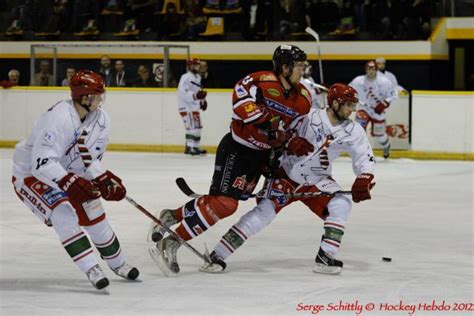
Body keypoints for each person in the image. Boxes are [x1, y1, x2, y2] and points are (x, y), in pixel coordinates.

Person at [150, 45, 314, 275]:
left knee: (221, 201)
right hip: (237, 148)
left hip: (260, 157)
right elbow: (239, 102)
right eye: (298, 66)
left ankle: (173, 215)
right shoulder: (261, 81)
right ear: (284, 67)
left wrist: (289, 144)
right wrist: (266, 122)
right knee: (225, 204)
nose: (302, 70)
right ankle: (170, 242)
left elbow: (296, 128)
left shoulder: (304, 97)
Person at [200, 83, 376, 275]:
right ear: (335, 103)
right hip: (285, 175)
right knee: (263, 213)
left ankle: (326, 255)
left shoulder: (354, 131)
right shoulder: (308, 117)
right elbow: (278, 134)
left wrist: (364, 177)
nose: (352, 110)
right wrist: (277, 151)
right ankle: (218, 254)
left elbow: (364, 156)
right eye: (349, 104)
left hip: (317, 180)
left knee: (341, 203)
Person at [11, 70, 139, 291]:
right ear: (85, 97)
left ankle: (118, 263)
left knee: (93, 209)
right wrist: (68, 181)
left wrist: (102, 179)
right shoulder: (58, 119)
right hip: (31, 175)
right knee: (63, 213)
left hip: (66, 173)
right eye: (98, 94)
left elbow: (89, 158)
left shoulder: (101, 119)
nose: (102, 98)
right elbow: (41, 162)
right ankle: (91, 267)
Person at [349, 60, 396, 159]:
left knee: (380, 135)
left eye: (373, 69)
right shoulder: (358, 80)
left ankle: (386, 146)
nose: (371, 71)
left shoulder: (384, 81)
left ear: (376, 70)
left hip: (378, 112)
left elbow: (393, 95)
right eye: (369, 69)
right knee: (360, 130)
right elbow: (348, 90)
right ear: (365, 69)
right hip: (364, 109)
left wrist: (384, 104)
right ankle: (362, 153)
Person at [176, 58, 208, 155]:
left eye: (198, 65)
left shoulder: (197, 77)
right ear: (190, 66)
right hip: (186, 106)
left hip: (194, 107)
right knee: (191, 127)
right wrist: (195, 96)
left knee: (198, 126)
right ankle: (189, 147)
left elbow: (198, 91)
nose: (197, 67)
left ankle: (196, 146)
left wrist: (202, 101)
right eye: (195, 65)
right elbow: (182, 92)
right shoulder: (185, 77)